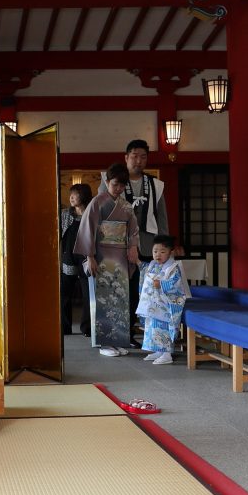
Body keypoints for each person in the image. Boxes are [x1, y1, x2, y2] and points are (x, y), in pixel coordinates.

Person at [99, 139, 169, 347]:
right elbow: (101, 212)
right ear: (126, 157)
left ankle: (148, 334)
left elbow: (161, 216)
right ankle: (122, 334)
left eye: (143, 156)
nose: (139, 160)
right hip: (119, 244)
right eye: (135, 155)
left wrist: (165, 245)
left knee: (147, 290)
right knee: (123, 290)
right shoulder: (111, 180)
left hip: (148, 244)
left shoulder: (155, 184)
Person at [75, 163, 139, 357]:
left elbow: (133, 230)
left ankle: (118, 340)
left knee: (120, 299)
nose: (118, 189)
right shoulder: (98, 202)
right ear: (107, 182)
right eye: (115, 184)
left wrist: (133, 247)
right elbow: (88, 229)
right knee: (105, 299)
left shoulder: (126, 206)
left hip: (120, 255)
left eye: (122, 186)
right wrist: (90, 256)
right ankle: (104, 343)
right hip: (102, 254)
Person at [136, 234, 191, 365]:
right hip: (154, 304)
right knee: (153, 328)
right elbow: (146, 274)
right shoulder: (153, 265)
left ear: (170, 252)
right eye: (155, 251)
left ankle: (167, 354)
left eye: (162, 251)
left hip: (166, 306)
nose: (158, 255)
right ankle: (158, 350)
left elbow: (176, 284)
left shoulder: (173, 267)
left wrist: (161, 284)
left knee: (164, 328)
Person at [60, 183, 93, 337]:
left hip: (87, 257)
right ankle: (64, 327)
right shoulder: (65, 214)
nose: (71, 197)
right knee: (65, 292)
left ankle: (87, 328)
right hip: (69, 256)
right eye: (70, 194)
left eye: (75, 194)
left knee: (88, 293)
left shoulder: (92, 213)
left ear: (83, 196)